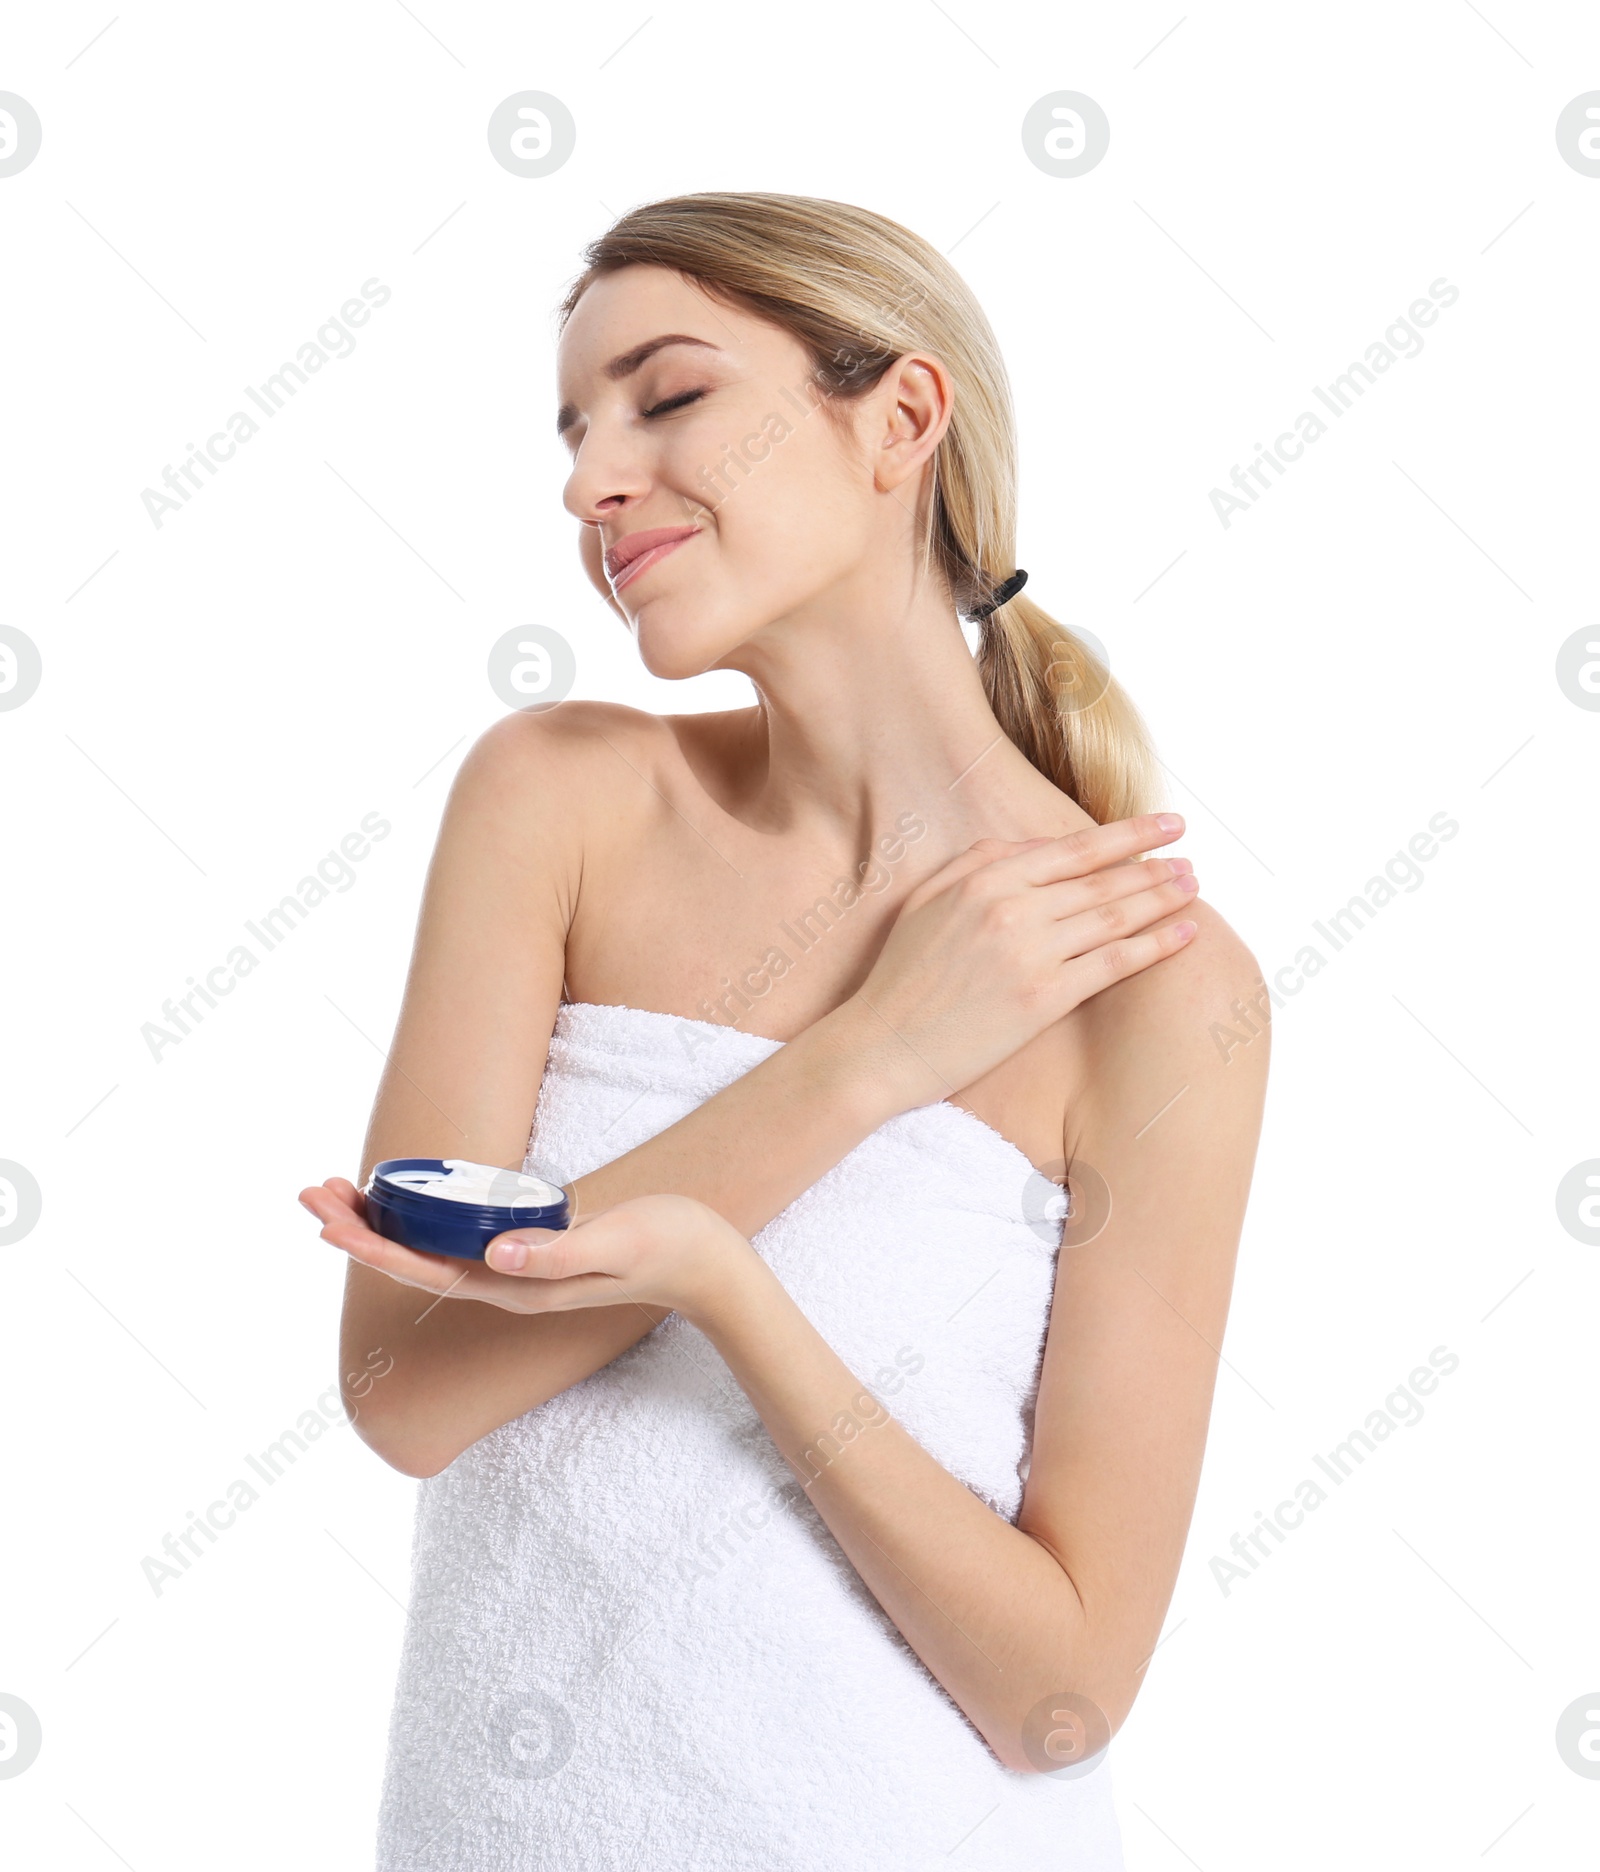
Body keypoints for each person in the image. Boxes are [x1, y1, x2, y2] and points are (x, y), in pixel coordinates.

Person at [300, 191, 1269, 1870]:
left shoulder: (1156, 987)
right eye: (577, 429)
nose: (591, 479)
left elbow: (1063, 1689)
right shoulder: (558, 803)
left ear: (898, 420)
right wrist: (868, 1063)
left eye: (666, 399)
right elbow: (405, 1393)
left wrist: (726, 1291)